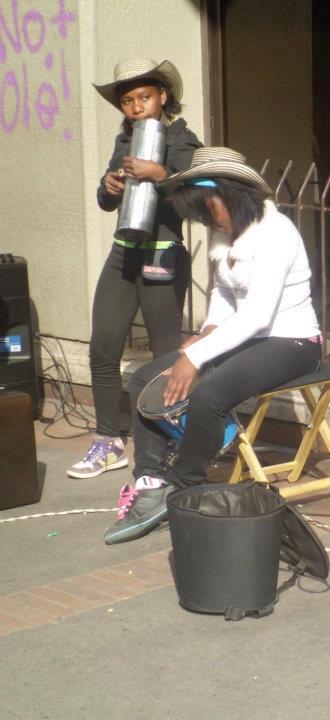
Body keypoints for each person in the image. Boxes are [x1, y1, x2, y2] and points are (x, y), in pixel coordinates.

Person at [103, 147, 323, 544]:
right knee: (143, 379)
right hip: (248, 337)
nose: (208, 220)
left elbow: (257, 315)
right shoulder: (231, 233)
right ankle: (150, 479)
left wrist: (195, 356)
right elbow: (225, 292)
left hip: (292, 341)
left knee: (207, 394)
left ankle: (184, 486)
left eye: (209, 208)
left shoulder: (276, 233)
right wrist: (208, 331)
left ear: (233, 194)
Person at [69, 59, 202, 480]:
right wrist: (108, 186)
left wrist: (160, 173)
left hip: (162, 254)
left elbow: (194, 195)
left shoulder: (183, 138)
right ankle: (108, 442)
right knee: (103, 346)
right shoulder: (125, 137)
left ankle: (164, 446)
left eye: (144, 97)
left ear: (163, 96)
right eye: (127, 101)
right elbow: (107, 202)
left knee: (165, 357)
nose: (136, 107)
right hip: (123, 252)